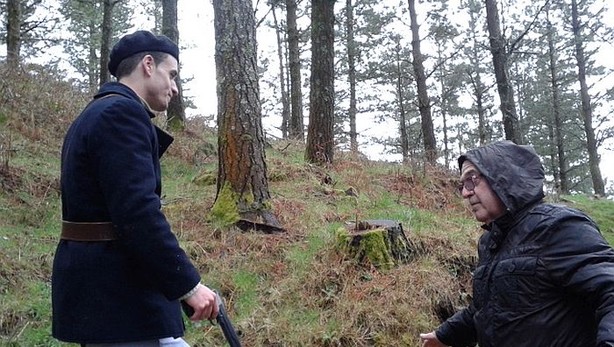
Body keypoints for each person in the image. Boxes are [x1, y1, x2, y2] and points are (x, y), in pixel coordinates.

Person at [52, 30, 218, 346]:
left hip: (106, 296)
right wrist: (188, 285)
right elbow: (137, 213)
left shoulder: (95, 113)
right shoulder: (120, 114)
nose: (175, 87)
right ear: (147, 64)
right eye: (171, 75)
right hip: (120, 297)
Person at [419, 140, 614, 347]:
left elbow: (609, 290)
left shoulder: (558, 226)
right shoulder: (490, 242)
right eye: (462, 185)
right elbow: (485, 309)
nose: (466, 193)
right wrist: (444, 335)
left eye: (472, 180)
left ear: (502, 177)